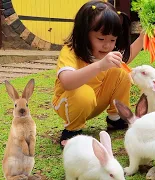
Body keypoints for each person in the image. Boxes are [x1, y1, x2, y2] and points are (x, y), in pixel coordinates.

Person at [52, 0, 144, 147]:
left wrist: (141, 39)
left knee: (120, 70)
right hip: (69, 103)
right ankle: (72, 131)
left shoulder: (107, 51)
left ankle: (116, 118)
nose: (107, 45)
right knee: (84, 92)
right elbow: (67, 82)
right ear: (84, 33)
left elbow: (125, 58)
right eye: (101, 39)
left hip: (96, 102)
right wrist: (99, 66)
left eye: (112, 40)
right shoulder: (71, 51)